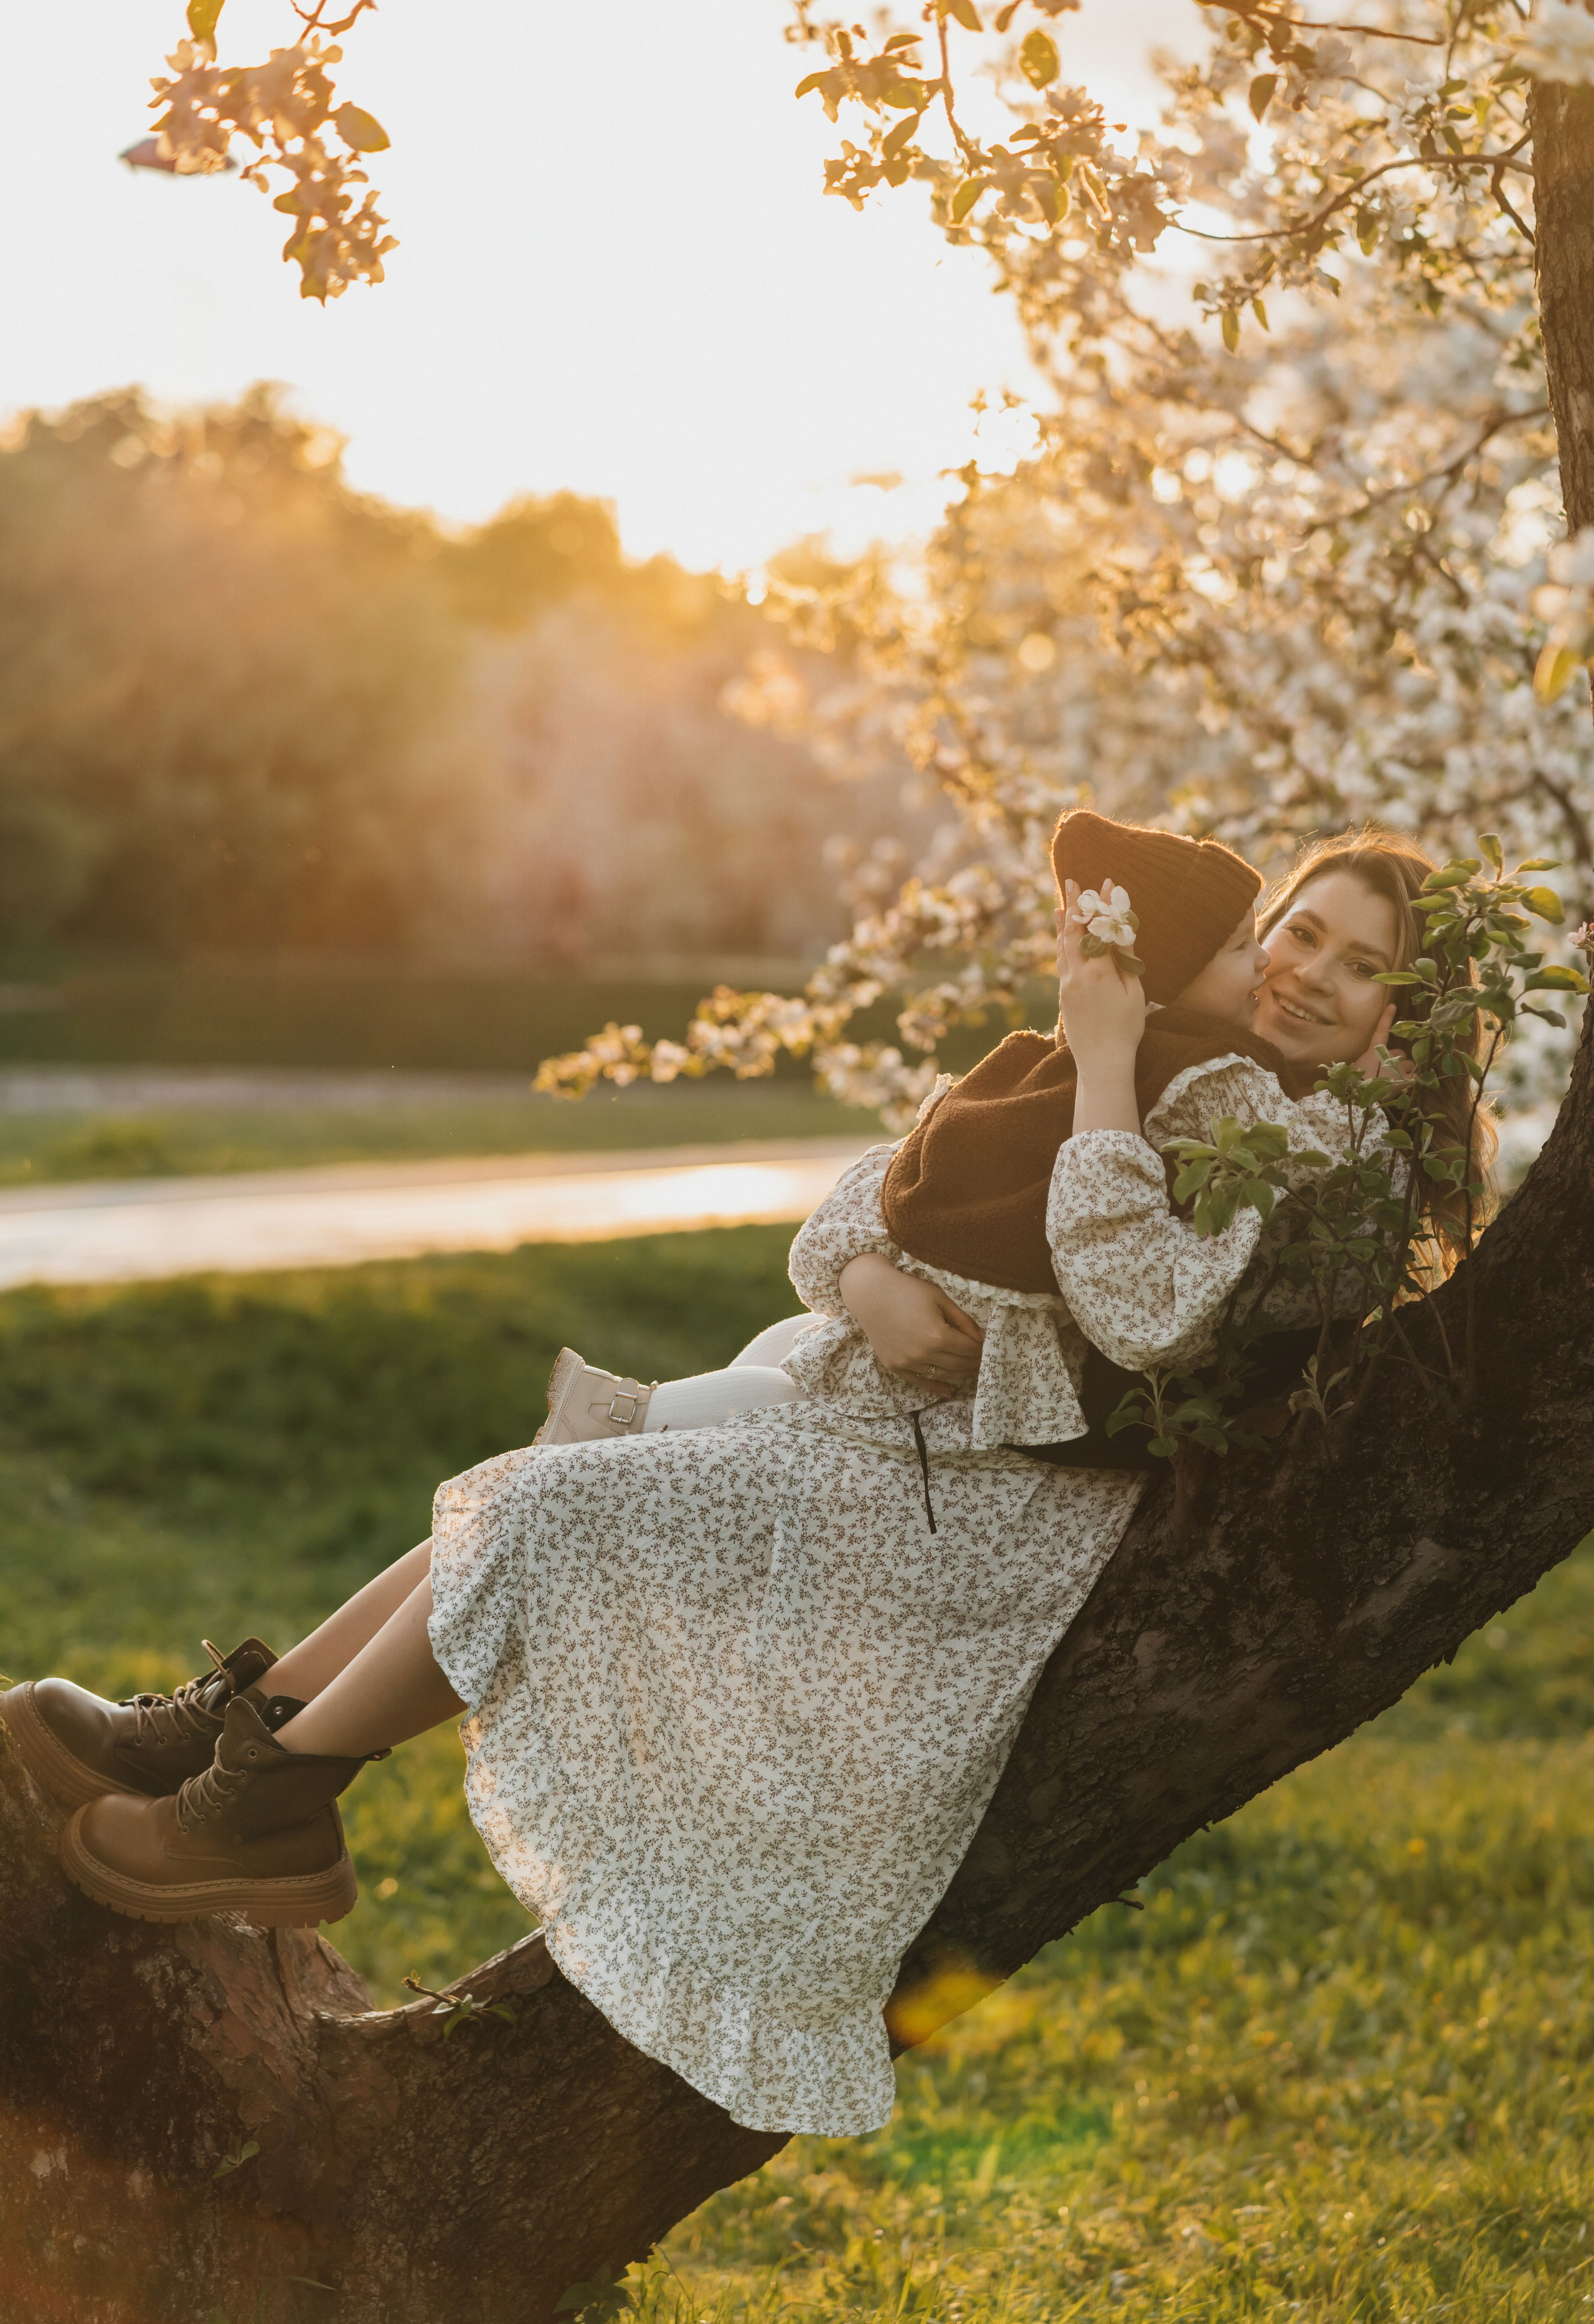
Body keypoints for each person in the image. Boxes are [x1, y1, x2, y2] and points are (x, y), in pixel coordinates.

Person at [5, 819, 1483, 2142]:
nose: (1301, 973)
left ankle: (275, 1804)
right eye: (1291, 930)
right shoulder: (1161, 1058)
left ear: (1395, 1027)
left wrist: (1099, 1062)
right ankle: (234, 1738)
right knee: (543, 1470)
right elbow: (886, 1180)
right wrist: (868, 1275)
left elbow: (1142, 1306)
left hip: (987, 1507)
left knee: (541, 1512)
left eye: (1357, 970)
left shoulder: (1300, 1151)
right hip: (872, 1421)